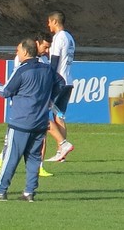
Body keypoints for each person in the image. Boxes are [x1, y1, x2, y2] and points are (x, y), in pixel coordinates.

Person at [0, 38, 64, 202]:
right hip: (40, 122)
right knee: (34, 158)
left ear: (26, 52)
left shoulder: (22, 70)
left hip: (21, 121)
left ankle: (0, 191)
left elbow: (6, 91)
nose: (17, 53)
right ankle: (29, 193)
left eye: (18, 50)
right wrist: (50, 100)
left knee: (11, 157)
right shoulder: (47, 69)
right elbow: (61, 83)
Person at [0, 31, 54, 177]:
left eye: (48, 48)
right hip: (23, 108)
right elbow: (14, 86)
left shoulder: (45, 61)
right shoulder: (21, 60)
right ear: (37, 44)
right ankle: (3, 159)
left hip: (38, 108)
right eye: (45, 47)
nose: (47, 51)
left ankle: (39, 166)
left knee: (41, 137)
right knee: (15, 144)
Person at [45, 10, 75, 162]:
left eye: (49, 21)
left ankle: (62, 145)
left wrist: (49, 80)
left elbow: (54, 61)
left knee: (43, 113)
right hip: (68, 81)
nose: (48, 24)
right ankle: (61, 153)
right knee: (60, 116)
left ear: (55, 21)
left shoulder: (58, 37)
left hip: (59, 82)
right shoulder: (70, 37)